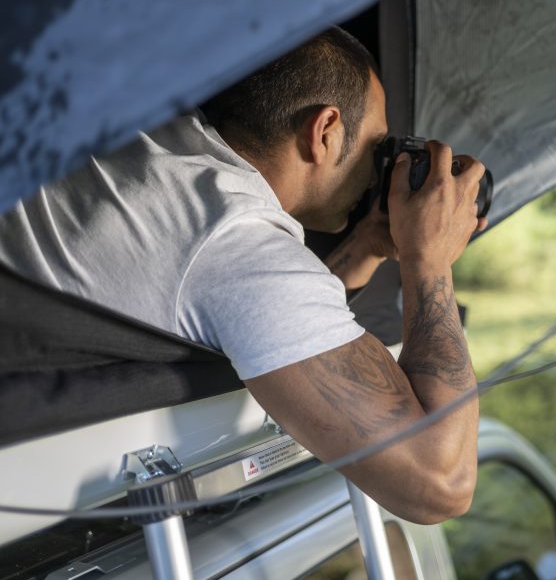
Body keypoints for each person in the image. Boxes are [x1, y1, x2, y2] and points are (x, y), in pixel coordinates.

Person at [0, 26, 487, 524]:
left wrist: (367, 246)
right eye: (376, 146)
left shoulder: (157, 139)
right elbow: (441, 483)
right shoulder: (237, 246)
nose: (378, 169)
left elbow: (267, 322)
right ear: (325, 131)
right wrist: (429, 261)